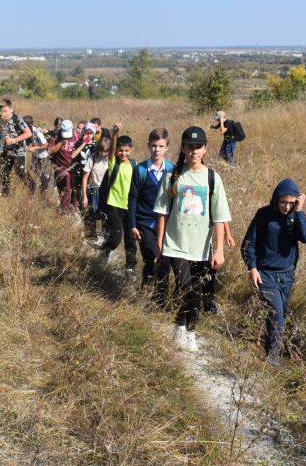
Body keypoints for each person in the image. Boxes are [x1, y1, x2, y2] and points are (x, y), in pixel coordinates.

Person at [154, 126, 231, 353]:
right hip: (175, 243)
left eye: (198, 147)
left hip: (201, 246)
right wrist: (160, 243)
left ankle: (191, 331)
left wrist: (219, 250)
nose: (194, 151)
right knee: (184, 284)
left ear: (205, 149)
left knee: (196, 290)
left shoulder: (212, 178)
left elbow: (219, 218)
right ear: (183, 148)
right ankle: (179, 327)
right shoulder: (172, 175)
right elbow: (162, 212)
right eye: (190, 147)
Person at [240, 179, 306, 364]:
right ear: (275, 199)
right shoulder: (264, 215)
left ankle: (269, 347)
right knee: (277, 312)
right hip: (265, 273)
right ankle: (273, 359)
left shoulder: (296, 216)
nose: (286, 206)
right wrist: (253, 269)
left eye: (291, 202)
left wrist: (299, 212)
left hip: (287, 274)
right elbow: (248, 245)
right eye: (283, 202)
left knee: (281, 312)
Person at [128, 128, 174, 309]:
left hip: (167, 223)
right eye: (154, 146)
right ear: (148, 146)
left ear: (167, 147)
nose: (157, 150)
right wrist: (132, 224)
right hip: (145, 222)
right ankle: (144, 292)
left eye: (161, 146)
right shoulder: (140, 170)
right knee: (152, 260)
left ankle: (160, 299)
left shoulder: (172, 170)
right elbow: (133, 198)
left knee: (165, 263)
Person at [98, 135, 138, 277]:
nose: (124, 153)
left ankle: (130, 268)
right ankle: (105, 249)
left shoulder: (134, 165)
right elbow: (112, 149)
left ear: (131, 150)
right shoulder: (113, 162)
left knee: (130, 239)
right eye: (121, 150)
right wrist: (114, 135)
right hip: (114, 205)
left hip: (130, 208)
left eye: (126, 150)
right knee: (115, 238)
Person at [48, 120, 87, 214]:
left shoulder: (77, 135)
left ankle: (75, 210)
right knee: (64, 190)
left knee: (75, 189)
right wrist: (61, 142)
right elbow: (50, 151)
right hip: (60, 168)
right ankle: (65, 212)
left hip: (74, 168)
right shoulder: (56, 136)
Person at [0, 99, 32, 196]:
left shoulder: (17, 119)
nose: (4, 114)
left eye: (6, 111)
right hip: (6, 150)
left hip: (19, 150)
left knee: (20, 171)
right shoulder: (0, 120)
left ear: (11, 109)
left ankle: (32, 188)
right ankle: (5, 195)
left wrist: (14, 140)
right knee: (4, 173)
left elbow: (28, 133)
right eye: (2, 111)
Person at [81, 135, 113, 243]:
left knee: (105, 216)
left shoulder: (111, 160)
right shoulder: (92, 158)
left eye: (106, 151)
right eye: (101, 151)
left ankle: (106, 240)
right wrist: (84, 195)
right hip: (92, 190)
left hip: (105, 192)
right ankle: (91, 240)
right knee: (90, 217)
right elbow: (85, 178)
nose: (103, 153)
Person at [24, 114, 51, 192]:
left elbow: (46, 145)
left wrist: (34, 148)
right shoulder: (27, 131)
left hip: (43, 156)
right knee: (34, 169)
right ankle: (46, 179)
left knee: (40, 172)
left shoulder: (37, 132)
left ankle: (45, 189)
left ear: (31, 124)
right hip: (35, 155)